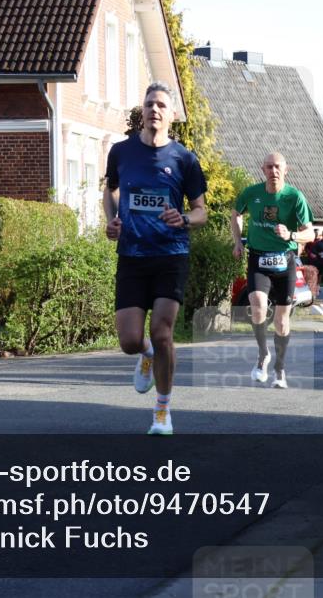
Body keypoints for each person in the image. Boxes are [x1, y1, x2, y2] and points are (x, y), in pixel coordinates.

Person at [104, 82, 207, 435]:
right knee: (130, 340)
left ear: (172, 114)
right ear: (143, 110)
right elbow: (110, 190)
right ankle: (146, 354)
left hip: (170, 254)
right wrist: (111, 221)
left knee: (162, 332)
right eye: (150, 104)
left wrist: (185, 219)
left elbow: (201, 211)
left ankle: (162, 410)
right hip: (132, 255)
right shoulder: (121, 152)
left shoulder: (184, 159)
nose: (155, 110)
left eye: (162, 105)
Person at [231, 153, 314, 389]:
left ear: (286, 170)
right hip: (258, 258)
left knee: (281, 321)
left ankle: (280, 368)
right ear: (263, 170)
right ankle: (263, 354)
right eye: (269, 167)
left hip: (284, 261)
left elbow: (310, 233)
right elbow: (236, 214)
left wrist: (292, 235)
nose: (273, 171)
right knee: (257, 307)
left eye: (277, 167)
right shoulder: (252, 193)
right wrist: (237, 241)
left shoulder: (295, 197)